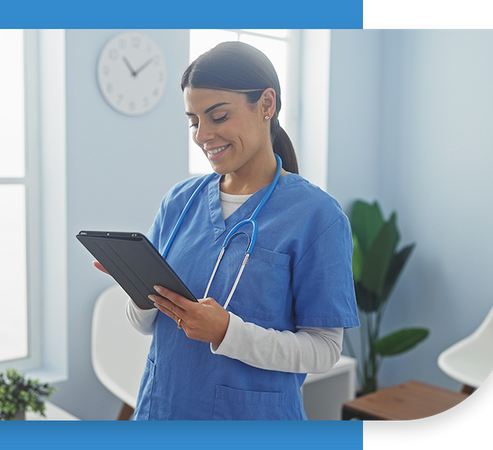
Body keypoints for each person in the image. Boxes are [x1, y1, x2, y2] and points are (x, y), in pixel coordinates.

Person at [95, 41, 359, 420]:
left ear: (267, 104)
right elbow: (144, 323)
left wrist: (227, 332)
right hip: (163, 410)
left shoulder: (317, 216)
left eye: (218, 116)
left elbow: (323, 350)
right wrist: (136, 288)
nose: (202, 135)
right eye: (193, 120)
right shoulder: (179, 201)